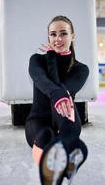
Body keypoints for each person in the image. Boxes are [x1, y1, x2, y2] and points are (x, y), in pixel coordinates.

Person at [25, 15, 89, 185]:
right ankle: (53, 169)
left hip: (65, 120)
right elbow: (47, 85)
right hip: (38, 122)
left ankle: (65, 152)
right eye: (53, 34)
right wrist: (52, 58)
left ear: (72, 36)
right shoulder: (36, 60)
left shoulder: (81, 69)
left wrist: (60, 94)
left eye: (63, 34)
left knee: (64, 98)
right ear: (48, 37)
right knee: (46, 135)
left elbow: (62, 89)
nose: (58, 39)